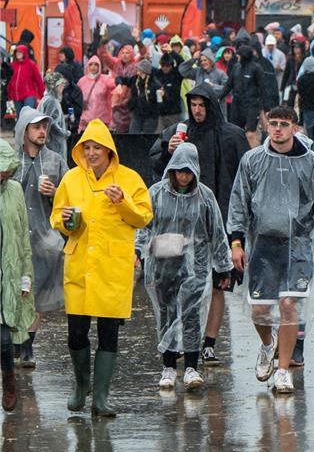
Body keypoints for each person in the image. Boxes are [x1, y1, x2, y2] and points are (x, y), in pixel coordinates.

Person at [227, 106, 314, 394]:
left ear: (295, 128)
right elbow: (238, 202)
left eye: (284, 124)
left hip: (299, 244)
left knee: (289, 305)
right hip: (262, 245)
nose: (278, 129)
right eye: (273, 123)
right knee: (260, 309)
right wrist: (236, 243)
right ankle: (267, 344)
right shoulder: (252, 160)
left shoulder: (312, 163)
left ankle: (284, 371)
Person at [50, 120, 154, 415]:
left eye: (98, 148)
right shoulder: (71, 179)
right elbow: (57, 216)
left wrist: (123, 203)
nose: (92, 153)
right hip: (80, 264)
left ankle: (100, 397)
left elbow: (143, 217)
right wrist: (65, 220)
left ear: (109, 150)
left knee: (109, 332)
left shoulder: (129, 179)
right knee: (76, 332)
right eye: (88, 148)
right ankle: (81, 385)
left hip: (112, 267)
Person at [149, 84, 249, 364]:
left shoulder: (231, 136)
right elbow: (157, 168)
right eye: (193, 104)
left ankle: (209, 342)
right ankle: (179, 340)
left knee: (219, 281)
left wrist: (239, 227)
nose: (197, 110)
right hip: (180, 221)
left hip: (222, 217)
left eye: (202, 104)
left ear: (212, 106)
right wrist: (169, 153)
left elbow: (245, 177)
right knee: (177, 280)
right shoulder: (179, 133)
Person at [137, 143, 233, 391]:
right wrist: (138, 251)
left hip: (196, 267)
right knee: (166, 314)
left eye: (188, 171)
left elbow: (217, 233)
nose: (183, 176)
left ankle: (191, 366)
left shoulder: (205, 197)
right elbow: (144, 225)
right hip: (163, 266)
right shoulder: (156, 194)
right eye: (179, 170)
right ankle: (168, 366)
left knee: (191, 316)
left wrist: (223, 267)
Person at [13, 109, 68, 368]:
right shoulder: (10, 160)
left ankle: (27, 345)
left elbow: (71, 199)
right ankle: (14, 340)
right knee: (16, 290)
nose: (42, 132)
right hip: (14, 238)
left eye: (45, 127)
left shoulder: (56, 161)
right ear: (24, 130)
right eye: (36, 127)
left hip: (46, 238)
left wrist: (55, 192)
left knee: (41, 293)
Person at [1, 140, 35, 412]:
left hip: (9, 274)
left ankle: (9, 379)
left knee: (3, 337)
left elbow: (23, 236)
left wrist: (25, 276)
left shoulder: (14, 191)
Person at [78, 56, 115, 131]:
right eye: (91, 64)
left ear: (99, 66)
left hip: (102, 120)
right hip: (86, 120)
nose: (93, 67)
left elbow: (114, 88)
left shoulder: (106, 79)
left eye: (96, 64)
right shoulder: (82, 81)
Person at [7, 45, 45, 116]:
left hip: (29, 94)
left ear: (24, 53)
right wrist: (9, 93)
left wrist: (41, 94)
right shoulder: (12, 66)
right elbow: (9, 81)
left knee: (28, 115)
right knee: (20, 117)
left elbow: (38, 80)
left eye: (20, 52)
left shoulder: (31, 65)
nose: (18, 53)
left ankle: (29, 127)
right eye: (17, 52)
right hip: (16, 95)